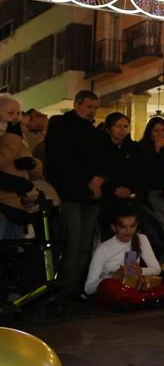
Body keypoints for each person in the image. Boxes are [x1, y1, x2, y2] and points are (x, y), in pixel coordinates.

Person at [45, 89, 106, 297]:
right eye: (89, 107)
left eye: (95, 108)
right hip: (70, 193)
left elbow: (101, 159)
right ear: (77, 105)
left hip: (91, 194)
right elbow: (61, 162)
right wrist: (89, 180)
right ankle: (65, 287)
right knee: (74, 238)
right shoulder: (61, 128)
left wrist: (100, 178)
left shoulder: (94, 131)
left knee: (85, 242)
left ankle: (76, 286)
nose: (92, 111)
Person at [83, 208, 162, 305]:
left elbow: (157, 269)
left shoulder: (141, 239)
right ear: (114, 227)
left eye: (132, 226)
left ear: (136, 225)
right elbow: (88, 288)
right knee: (110, 285)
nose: (128, 231)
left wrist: (141, 270)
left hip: (134, 286)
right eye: (123, 227)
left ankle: (140, 298)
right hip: (113, 290)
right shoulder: (103, 249)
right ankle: (143, 299)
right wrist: (113, 276)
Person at [97, 113, 142, 234]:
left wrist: (131, 189)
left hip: (130, 199)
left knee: (131, 235)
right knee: (109, 233)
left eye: (125, 126)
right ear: (109, 128)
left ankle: (131, 254)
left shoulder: (135, 148)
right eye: (118, 126)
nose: (122, 130)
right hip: (108, 199)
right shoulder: (100, 148)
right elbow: (100, 172)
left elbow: (140, 172)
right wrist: (113, 188)